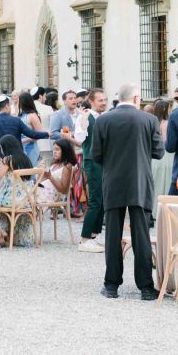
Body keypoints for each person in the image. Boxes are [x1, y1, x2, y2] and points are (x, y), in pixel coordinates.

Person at [90, 84, 163, 300]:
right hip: (139, 181)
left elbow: (96, 154)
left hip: (113, 180)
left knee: (112, 234)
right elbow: (158, 152)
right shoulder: (149, 120)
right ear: (136, 98)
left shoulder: (103, 120)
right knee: (141, 234)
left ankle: (111, 285)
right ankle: (146, 287)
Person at [0, 134, 40, 248]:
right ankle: (8, 234)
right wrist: (2, 164)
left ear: (6, 147)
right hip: (27, 199)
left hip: (13, 199)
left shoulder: (8, 159)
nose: (1, 150)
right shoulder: (25, 158)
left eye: (1, 147)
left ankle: (1, 231)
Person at [75, 88, 109, 251]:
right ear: (91, 101)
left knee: (102, 200)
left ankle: (94, 235)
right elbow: (79, 138)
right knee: (95, 200)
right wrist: (83, 118)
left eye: (105, 100)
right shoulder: (85, 117)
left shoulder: (106, 117)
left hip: (105, 161)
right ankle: (85, 239)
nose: (104, 103)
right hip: (92, 161)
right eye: (100, 100)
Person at [0, 96, 28, 166]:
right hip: (15, 161)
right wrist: (45, 134)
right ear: (7, 106)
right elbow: (31, 133)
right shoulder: (16, 121)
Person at [147, 97, 174, 209]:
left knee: (156, 184)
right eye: (169, 108)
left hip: (155, 158)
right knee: (166, 183)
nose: (171, 110)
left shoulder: (152, 123)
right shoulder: (167, 123)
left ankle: (154, 209)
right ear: (165, 109)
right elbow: (168, 141)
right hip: (167, 156)